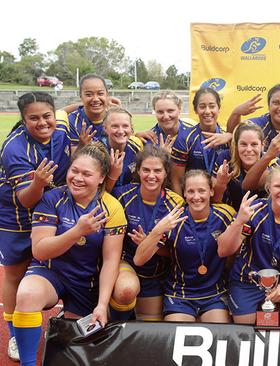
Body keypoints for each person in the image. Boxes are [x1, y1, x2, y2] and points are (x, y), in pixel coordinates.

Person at [12, 142, 126, 366]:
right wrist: (77, 232)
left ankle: (67, 319)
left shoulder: (111, 208)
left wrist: (102, 304)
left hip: (87, 282)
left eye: (87, 174)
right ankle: (27, 363)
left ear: (102, 178)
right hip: (51, 272)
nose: (77, 178)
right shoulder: (52, 199)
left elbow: (111, 261)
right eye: (74, 171)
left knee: (79, 346)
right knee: (27, 295)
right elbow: (40, 250)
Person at [0, 92, 71, 361]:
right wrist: (40, 182)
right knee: (15, 274)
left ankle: (65, 316)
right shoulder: (15, 149)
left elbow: (65, 111)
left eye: (46, 116)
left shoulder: (61, 125)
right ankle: (15, 335)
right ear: (23, 119)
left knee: (59, 262)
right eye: (33, 118)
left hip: (51, 211)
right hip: (17, 216)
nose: (42, 122)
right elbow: (26, 198)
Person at [135, 170, 239, 323]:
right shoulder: (174, 219)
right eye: (190, 191)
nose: (196, 197)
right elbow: (138, 259)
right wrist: (157, 231)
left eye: (201, 190)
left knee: (220, 333)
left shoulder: (226, 214)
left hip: (214, 294)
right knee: (176, 335)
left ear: (211, 191)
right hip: (180, 296)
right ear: (184, 193)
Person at [221, 165, 280, 326]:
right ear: (268, 187)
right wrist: (239, 221)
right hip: (248, 283)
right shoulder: (254, 211)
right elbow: (224, 250)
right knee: (249, 329)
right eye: (277, 186)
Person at [111, 145, 184, 321]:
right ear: (138, 170)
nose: (151, 176)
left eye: (157, 171)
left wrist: (149, 242)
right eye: (146, 170)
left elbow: (173, 252)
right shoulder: (122, 196)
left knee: (149, 330)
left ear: (166, 173)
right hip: (127, 265)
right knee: (126, 290)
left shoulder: (176, 204)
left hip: (157, 274)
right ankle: (115, 323)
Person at [170, 88, 232, 194]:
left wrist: (231, 136)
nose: (207, 111)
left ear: (219, 108)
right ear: (195, 109)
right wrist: (182, 207)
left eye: (212, 106)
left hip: (222, 200)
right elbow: (176, 180)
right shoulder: (184, 138)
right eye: (202, 107)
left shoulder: (228, 139)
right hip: (194, 200)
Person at [226, 84, 280, 158]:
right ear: (269, 105)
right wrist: (236, 113)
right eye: (276, 103)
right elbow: (234, 139)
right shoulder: (255, 125)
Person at [212, 122, 266, 209]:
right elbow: (214, 201)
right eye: (243, 144)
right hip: (231, 215)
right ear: (236, 145)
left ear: (262, 145)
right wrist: (220, 184)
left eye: (254, 144)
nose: (249, 149)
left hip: (260, 217)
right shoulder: (225, 159)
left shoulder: (270, 163)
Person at [60, 74, 114, 147]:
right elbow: (73, 156)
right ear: (81, 96)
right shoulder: (72, 122)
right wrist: (81, 146)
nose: (95, 99)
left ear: (107, 94)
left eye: (100, 93)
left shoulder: (115, 119)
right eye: (89, 95)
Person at [101, 107, 144, 192]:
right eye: (115, 126)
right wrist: (112, 176)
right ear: (105, 128)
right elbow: (95, 193)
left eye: (125, 126)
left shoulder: (136, 145)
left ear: (131, 128)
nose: (121, 131)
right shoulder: (96, 151)